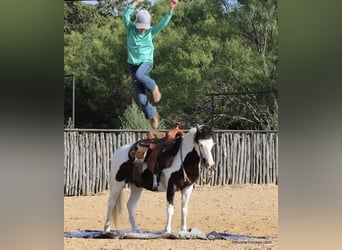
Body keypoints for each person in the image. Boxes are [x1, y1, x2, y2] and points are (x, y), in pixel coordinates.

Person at [123, 0, 179, 129]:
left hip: (146, 62)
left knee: (140, 75)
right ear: (136, 24)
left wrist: (171, 9)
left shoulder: (150, 32)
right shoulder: (130, 29)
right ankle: (152, 115)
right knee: (142, 99)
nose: (142, 30)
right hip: (132, 65)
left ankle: (154, 88)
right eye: (140, 27)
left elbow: (163, 24)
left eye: (144, 27)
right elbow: (125, 16)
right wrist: (135, 3)